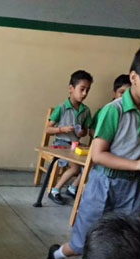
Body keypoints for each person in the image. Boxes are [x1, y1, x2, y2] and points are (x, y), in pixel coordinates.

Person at [43, 40, 140, 259]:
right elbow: (98, 154)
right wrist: (137, 164)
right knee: (84, 242)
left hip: (131, 187)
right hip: (103, 184)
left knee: (123, 242)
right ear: (134, 77)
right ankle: (57, 254)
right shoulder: (114, 111)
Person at [46, 70, 93, 205]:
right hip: (60, 144)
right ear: (71, 88)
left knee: (90, 165)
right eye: (82, 89)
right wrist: (62, 129)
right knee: (76, 167)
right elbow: (48, 129)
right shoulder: (61, 108)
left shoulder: (86, 111)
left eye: (87, 90)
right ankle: (55, 190)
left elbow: (85, 131)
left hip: (75, 145)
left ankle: (72, 188)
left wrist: (81, 133)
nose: (84, 93)